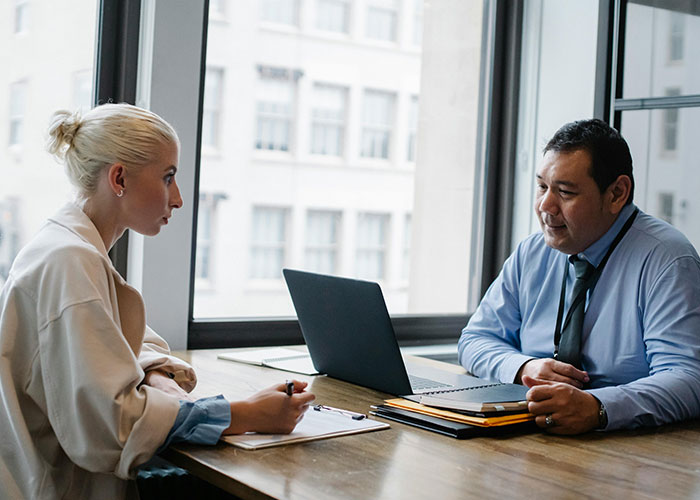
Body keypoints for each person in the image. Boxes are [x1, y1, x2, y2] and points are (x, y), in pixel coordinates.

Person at [0, 103, 315, 499]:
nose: (179, 198)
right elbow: (114, 427)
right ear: (119, 178)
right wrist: (247, 415)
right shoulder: (69, 261)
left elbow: (129, 344)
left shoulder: (70, 248)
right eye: (168, 178)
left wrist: (156, 376)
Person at [459, 118, 700, 435]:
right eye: (542, 187)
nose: (546, 206)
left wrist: (599, 407)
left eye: (565, 192)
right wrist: (524, 368)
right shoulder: (532, 252)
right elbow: (474, 340)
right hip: (533, 435)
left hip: (628, 451)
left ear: (616, 193)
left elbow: (688, 378)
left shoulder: (668, 260)